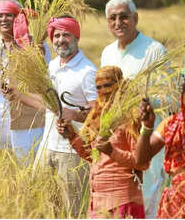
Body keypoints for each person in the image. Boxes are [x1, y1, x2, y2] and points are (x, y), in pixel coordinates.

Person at [100, 0, 168, 217]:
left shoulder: (154, 50)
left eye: (124, 17)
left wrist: (140, 97)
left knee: (147, 198)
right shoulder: (107, 52)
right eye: (113, 18)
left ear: (136, 18)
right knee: (121, 201)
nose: (118, 23)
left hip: (146, 138)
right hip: (116, 142)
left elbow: (170, 97)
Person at [57, 66, 147, 219]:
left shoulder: (130, 118)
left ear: (120, 85)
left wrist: (112, 151)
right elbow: (92, 156)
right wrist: (71, 134)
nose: (104, 91)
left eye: (108, 85)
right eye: (99, 87)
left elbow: (141, 163)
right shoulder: (96, 116)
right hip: (97, 201)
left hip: (122, 200)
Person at [31, 16, 96, 216]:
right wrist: (17, 95)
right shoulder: (52, 66)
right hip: (47, 146)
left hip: (73, 153)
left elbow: (98, 112)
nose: (61, 40)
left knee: (73, 210)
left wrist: (74, 114)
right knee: (44, 206)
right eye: (56, 35)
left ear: (76, 37)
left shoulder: (88, 71)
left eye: (66, 34)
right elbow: (47, 106)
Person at [0, 0, 47, 158]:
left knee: (25, 171)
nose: (3, 19)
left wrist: (40, 58)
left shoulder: (34, 46)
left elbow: (45, 80)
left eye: (9, 15)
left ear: (19, 18)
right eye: (0, 15)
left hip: (26, 126)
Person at [136, 72, 185, 219]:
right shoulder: (171, 124)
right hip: (175, 207)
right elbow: (141, 160)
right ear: (182, 97)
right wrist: (147, 127)